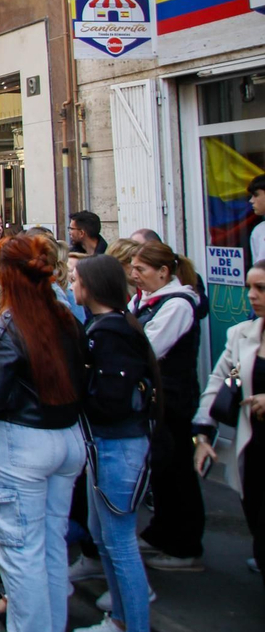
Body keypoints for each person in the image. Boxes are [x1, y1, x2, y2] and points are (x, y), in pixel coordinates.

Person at [0, 234, 87, 632]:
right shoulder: (66, 317)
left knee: (20, 551)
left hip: (21, 443)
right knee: (47, 546)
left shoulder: (6, 330)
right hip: (63, 438)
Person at [70, 254, 158, 632]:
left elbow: (112, 398)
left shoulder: (113, 333)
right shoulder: (103, 328)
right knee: (104, 535)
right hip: (103, 442)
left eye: (75, 279)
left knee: (120, 541)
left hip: (118, 444)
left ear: (91, 287)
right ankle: (121, 620)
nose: (71, 285)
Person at [125, 240, 205, 571]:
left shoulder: (178, 305)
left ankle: (185, 545)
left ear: (163, 272)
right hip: (154, 398)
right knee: (160, 469)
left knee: (177, 471)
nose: (134, 275)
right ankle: (161, 533)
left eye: (141, 270)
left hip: (172, 397)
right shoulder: (144, 300)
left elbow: (149, 347)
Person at [195, 258, 264, 599]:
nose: (252, 296)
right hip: (253, 452)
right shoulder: (242, 334)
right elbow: (217, 381)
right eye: (249, 288)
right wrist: (203, 435)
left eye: (261, 288)